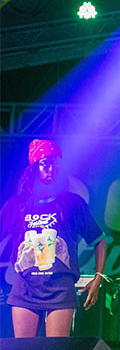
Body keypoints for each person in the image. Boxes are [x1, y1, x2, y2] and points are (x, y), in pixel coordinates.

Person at [0, 139, 106, 338]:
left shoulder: (72, 203)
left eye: (56, 164)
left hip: (60, 290)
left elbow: (98, 239)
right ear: (33, 168)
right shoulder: (17, 205)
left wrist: (98, 278)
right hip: (24, 290)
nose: (51, 169)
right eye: (45, 163)